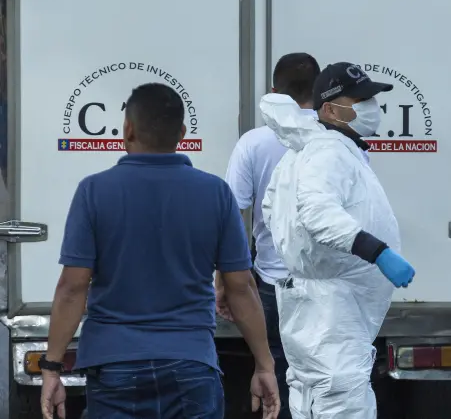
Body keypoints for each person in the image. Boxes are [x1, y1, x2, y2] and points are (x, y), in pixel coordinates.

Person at [41, 83, 280, 419]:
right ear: (181, 133)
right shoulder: (216, 193)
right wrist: (264, 365)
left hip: (114, 366)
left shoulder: (93, 191)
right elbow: (241, 288)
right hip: (191, 363)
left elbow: (72, 287)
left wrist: (52, 367)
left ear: (127, 129)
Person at [260, 62, 416, 419]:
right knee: (341, 400)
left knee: (312, 397)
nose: (371, 107)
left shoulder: (311, 150)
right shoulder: (328, 152)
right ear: (329, 109)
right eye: (360, 100)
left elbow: (273, 211)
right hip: (332, 312)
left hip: (320, 304)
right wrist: (378, 252)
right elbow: (316, 212)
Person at [220, 53, 321, 419]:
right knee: (324, 377)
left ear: (274, 91)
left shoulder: (254, 143)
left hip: (271, 284)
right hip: (326, 287)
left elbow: (231, 216)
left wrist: (225, 280)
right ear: (319, 91)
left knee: (273, 371)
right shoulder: (337, 140)